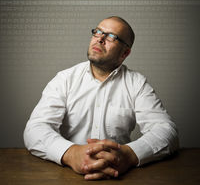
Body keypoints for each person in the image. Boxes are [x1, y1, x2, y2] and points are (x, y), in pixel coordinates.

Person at [24, 16, 179, 180]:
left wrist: (129, 155)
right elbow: (35, 129)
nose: (100, 39)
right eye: (97, 32)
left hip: (119, 176)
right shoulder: (64, 79)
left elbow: (167, 131)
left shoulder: (137, 84)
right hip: (66, 175)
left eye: (112, 36)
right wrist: (71, 153)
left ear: (125, 53)